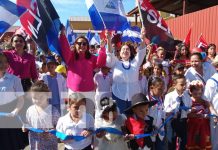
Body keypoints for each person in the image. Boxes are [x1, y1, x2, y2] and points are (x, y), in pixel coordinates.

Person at [106, 28, 147, 113]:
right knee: (120, 121)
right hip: (118, 97)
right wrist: (109, 40)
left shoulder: (135, 63)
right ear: (119, 53)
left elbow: (142, 52)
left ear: (130, 52)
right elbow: (109, 54)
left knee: (132, 121)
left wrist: (143, 38)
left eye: (127, 49)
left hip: (134, 98)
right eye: (123, 49)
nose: (125, 51)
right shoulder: (115, 63)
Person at [23, 81, 59, 150]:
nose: (37, 100)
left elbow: (59, 127)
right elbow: (27, 122)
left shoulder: (53, 111)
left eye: (41, 97)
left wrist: (51, 133)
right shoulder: (30, 110)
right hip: (35, 144)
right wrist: (25, 127)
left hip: (49, 145)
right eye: (34, 98)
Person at [0, 53, 25, 150]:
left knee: (13, 144)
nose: (4, 64)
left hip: (10, 115)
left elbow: (21, 100)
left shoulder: (14, 79)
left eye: (6, 62)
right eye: (0, 62)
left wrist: (16, 111)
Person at [164, 75, 192, 150]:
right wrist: (174, 110)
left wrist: (188, 109)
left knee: (183, 141)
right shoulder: (169, 96)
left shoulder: (187, 96)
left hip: (183, 121)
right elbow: (166, 109)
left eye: (185, 84)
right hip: (172, 122)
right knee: (171, 141)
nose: (184, 87)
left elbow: (189, 107)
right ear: (174, 85)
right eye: (181, 84)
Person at [186, 80, 212, 149]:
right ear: (190, 91)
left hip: (204, 129)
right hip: (192, 128)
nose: (197, 92)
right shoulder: (188, 101)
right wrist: (197, 115)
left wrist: (207, 116)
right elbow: (185, 114)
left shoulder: (205, 102)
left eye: (199, 89)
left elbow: (210, 114)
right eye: (195, 90)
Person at [147, 77, 167, 149]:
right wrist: (151, 127)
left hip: (160, 130)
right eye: (159, 89)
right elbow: (145, 117)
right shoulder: (147, 100)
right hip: (150, 131)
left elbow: (161, 112)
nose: (162, 91)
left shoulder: (160, 98)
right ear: (151, 87)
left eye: (163, 89)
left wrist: (166, 115)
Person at [204, 55, 218, 150]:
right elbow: (207, 100)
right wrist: (214, 113)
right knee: (215, 142)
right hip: (216, 116)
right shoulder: (212, 81)